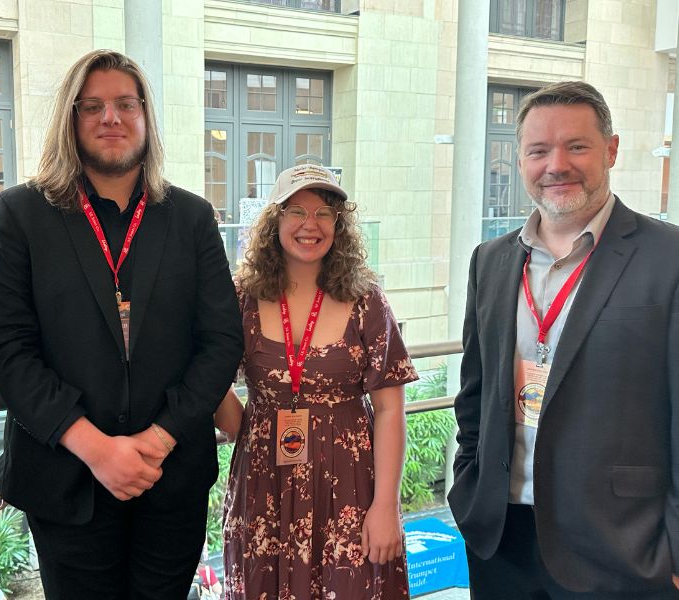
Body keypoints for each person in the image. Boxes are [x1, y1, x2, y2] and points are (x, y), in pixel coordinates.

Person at [0, 49, 243, 599]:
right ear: (70, 120)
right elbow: (4, 349)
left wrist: (160, 438)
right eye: (91, 106)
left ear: (146, 117)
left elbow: (220, 342)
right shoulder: (20, 215)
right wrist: (96, 448)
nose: (110, 118)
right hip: (66, 479)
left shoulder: (191, 218)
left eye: (125, 104)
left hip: (170, 479)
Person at [448, 80, 679, 599]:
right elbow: (475, 394)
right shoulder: (491, 261)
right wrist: (467, 486)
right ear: (521, 158)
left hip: (621, 547)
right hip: (501, 540)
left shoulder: (669, 259)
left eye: (576, 146)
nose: (557, 165)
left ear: (611, 150)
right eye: (538, 150)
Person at [217, 164, 417, 599]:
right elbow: (227, 410)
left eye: (325, 212)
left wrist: (386, 506)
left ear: (339, 225)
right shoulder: (241, 299)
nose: (310, 225)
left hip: (350, 487)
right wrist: (211, 384)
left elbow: (390, 409)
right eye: (296, 211)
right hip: (263, 485)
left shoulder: (367, 300)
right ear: (275, 219)